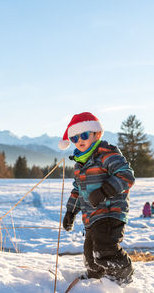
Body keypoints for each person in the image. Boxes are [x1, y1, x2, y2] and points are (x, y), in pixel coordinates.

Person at [58, 112, 135, 285]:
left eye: (84, 135)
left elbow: (127, 176)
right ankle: (96, 281)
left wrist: (104, 190)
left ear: (97, 134)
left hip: (110, 213)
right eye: (74, 138)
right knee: (90, 254)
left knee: (104, 249)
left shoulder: (107, 154)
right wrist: (71, 212)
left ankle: (123, 274)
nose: (79, 140)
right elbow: (77, 190)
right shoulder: (80, 163)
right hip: (91, 217)